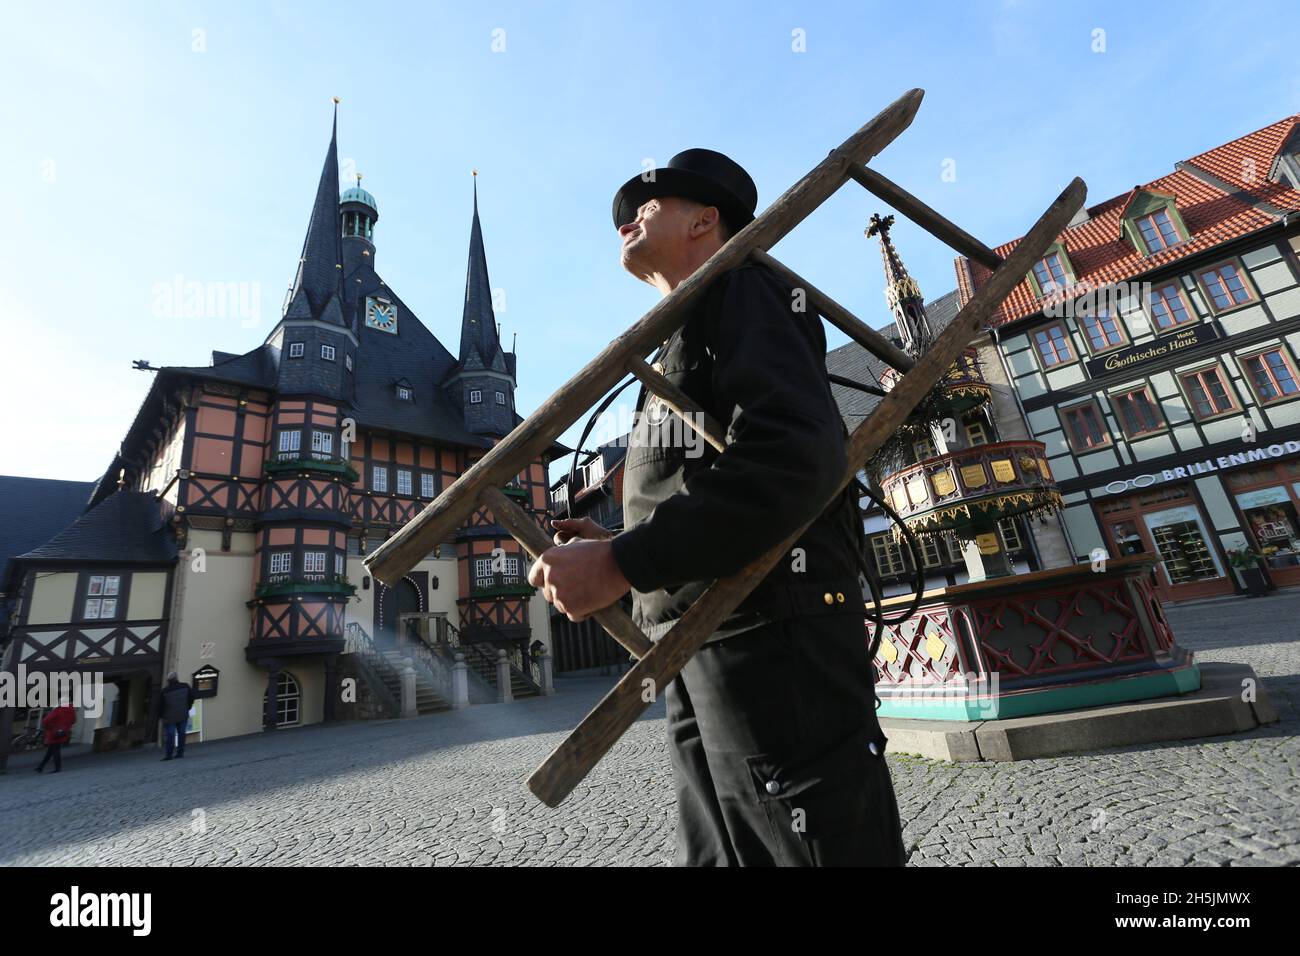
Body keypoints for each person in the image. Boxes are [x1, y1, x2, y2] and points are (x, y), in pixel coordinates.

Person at [528, 149, 907, 866]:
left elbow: (792, 453)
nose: (624, 224)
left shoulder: (744, 291)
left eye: (645, 207)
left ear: (707, 219)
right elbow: (698, 474)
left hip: (771, 637)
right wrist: (621, 538)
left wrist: (622, 560)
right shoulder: (683, 326)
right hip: (702, 641)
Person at [159, 672, 195, 761]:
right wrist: (188, 707)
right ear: (177, 678)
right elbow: (191, 698)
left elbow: (160, 705)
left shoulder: (165, 691)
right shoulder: (185, 686)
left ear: (168, 680)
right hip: (182, 714)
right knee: (182, 733)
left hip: (169, 717)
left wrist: (161, 715)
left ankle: (169, 754)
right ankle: (180, 752)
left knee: (170, 735)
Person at [35, 698, 76, 774]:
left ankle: (57, 768)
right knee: (51, 750)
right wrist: (65, 727)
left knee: (55, 751)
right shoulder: (72, 710)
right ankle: (40, 767)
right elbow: (73, 721)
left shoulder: (58, 710)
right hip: (63, 732)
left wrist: (51, 728)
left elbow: (46, 721)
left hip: (54, 733)